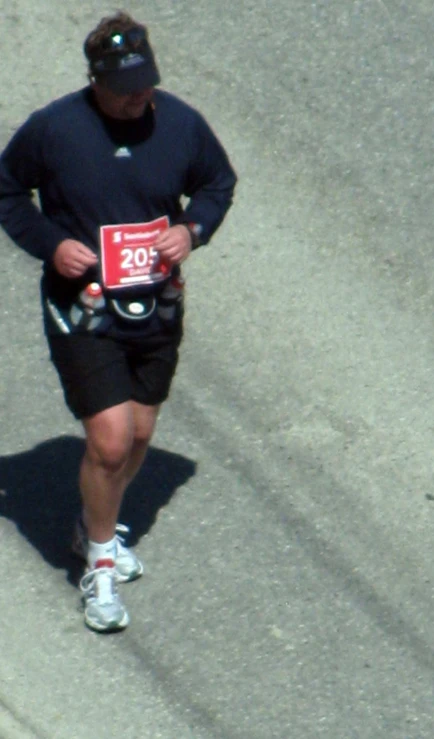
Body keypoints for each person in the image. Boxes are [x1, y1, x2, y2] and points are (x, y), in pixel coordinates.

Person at [0, 11, 237, 632]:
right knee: (108, 440)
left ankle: (90, 524)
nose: (141, 96)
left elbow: (217, 184)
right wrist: (51, 244)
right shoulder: (54, 130)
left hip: (156, 305)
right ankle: (100, 562)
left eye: (147, 81)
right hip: (85, 306)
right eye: (127, 86)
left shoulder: (179, 123)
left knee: (135, 437)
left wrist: (192, 229)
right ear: (95, 80)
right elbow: (5, 191)